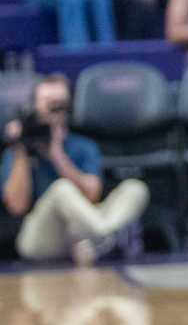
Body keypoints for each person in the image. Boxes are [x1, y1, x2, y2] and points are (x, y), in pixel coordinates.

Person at [2, 74, 148, 264]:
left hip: (83, 233)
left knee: (134, 188)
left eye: (60, 105)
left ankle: (100, 240)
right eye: (49, 104)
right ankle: (110, 238)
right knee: (62, 189)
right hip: (41, 238)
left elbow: (92, 195)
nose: (55, 112)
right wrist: (20, 148)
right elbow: (16, 206)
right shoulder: (19, 149)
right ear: (34, 106)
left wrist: (57, 155)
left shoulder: (83, 145)